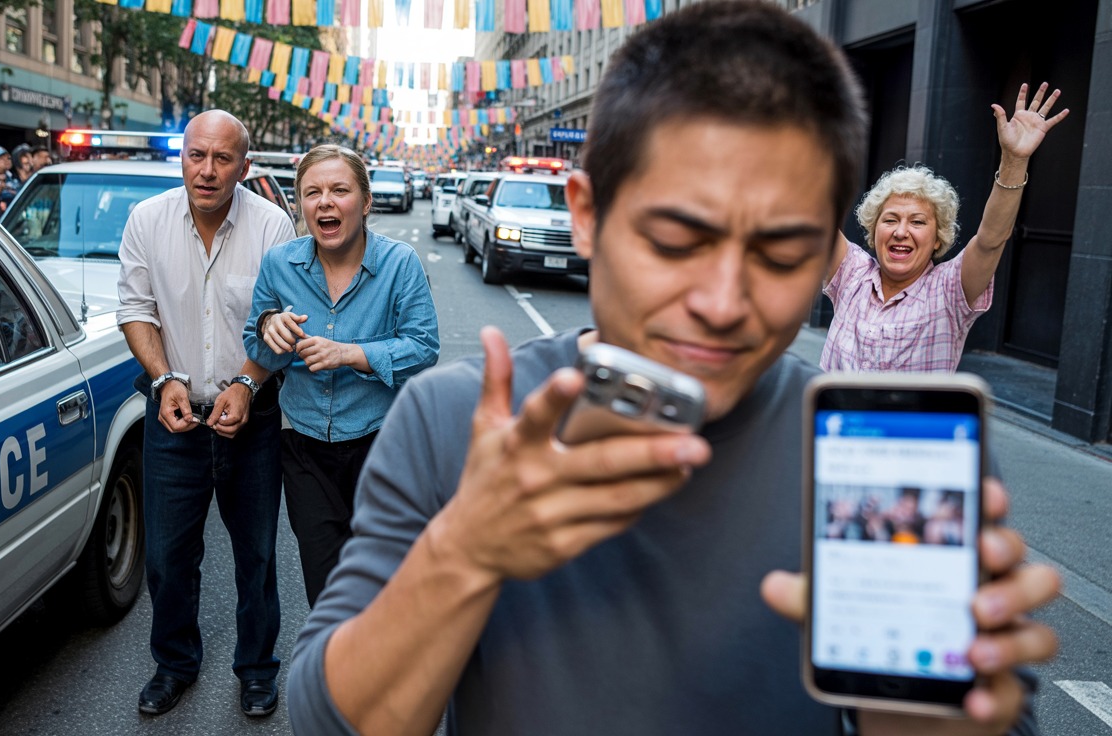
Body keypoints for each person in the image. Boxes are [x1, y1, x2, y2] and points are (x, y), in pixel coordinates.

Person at [287, 3, 1060, 735]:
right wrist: (466, 553)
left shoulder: (884, 457)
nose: (724, 302)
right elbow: (334, 717)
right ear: (586, 215)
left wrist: (920, 711)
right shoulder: (455, 420)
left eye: (781, 253)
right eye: (675, 240)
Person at [117, 109, 295, 719]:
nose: (208, 170)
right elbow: (136, 310)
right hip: (174, 418)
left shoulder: (273, 225)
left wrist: (248, 382)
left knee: (258, 555)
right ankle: (174, 664)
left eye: (223, 159)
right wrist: (164, 377)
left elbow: (284, 322)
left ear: (244, 167)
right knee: (167, 557)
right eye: (198, 155)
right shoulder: (147, 220)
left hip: (255, 416)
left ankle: (256, 669)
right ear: (182, 158)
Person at [241, 144, 439, 607]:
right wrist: (269, 327)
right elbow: (255, 346)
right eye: (312, 193)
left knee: (381, 582)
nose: (325, 202)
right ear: (301, 206)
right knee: (326, 587)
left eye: (339, 190)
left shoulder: (400, 263)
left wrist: (350, 354)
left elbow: (424, 347)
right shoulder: (279, 265)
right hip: (305, 449)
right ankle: (338, 676)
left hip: (382, 445)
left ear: (365, 203)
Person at [820, 84, 1069, 372]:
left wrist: (1014, 160)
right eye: (890, 220)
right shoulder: (852, 274)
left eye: (917, 222)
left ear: (938, 240)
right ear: (873, 232)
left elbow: (991, 240)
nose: (901, 231)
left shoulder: (948, 290)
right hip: (835, 418)